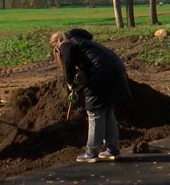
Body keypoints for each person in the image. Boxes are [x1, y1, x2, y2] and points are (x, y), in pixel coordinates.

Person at [49, 29, 131, 163]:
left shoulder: (65, 44)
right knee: (108, 112)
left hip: (100, 74)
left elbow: (69, 63)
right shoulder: (82, 42)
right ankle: (113, 150)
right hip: (116, 70)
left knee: (95, 113)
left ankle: (92, 152)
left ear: (56, 45)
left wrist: (70, 82)